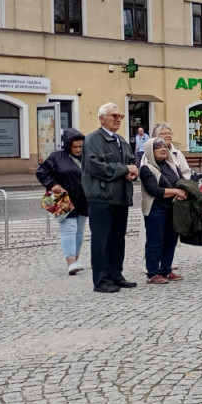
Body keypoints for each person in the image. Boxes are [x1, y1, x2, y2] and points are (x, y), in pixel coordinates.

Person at [82, 103, 139, 293]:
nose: (118, 119)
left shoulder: (121, 140)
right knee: (101, 239)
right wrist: (124, 170)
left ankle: (116, 274)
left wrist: (133, 171)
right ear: (102, 118)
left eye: (120, 116)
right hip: (101, 196)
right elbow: (95, 167)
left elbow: (131, 161)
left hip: (120, 195)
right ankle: (101, 280)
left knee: (117, 239)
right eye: (114, 115)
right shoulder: (92, 140)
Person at [36, 128, 88, 275]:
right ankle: (70, 262)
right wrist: (53, 184)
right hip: (64, 199)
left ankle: (76, 260)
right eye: (75, 147)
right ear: (67, 145)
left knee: (79, 231)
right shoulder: (56, 157)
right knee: (69, 228)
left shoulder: (87, 157)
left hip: (84, 198)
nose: (78, 150)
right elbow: (41, 172)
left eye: (80, 147)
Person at [139, 137, 188, 284]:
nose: (163, 149)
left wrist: (184, 192)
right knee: (155, 241)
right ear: (150, 151)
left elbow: (181, 181)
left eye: (164, 146)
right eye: (158, 147)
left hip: (173, 208)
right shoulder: (146, 168)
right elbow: (154, 190)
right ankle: (152, 273)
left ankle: (166, 270)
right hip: (156, 209)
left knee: (170, 240)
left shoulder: (172, 166)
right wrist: (175, 192)